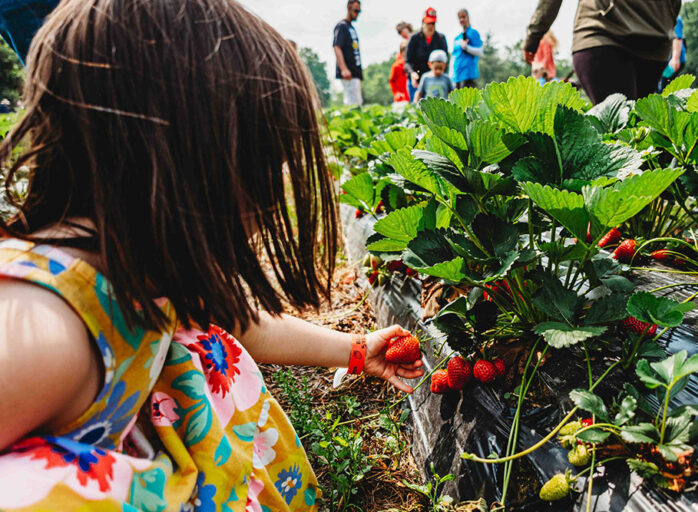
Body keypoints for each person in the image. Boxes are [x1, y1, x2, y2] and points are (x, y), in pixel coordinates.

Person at [0, 0, 424, 510]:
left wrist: (356, 350)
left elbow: (235, 321)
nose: (271, 191)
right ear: (182, 158)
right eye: (263, 164)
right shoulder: (45, 332)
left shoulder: (143, 262)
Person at [524, 0, 682, 104]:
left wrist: (534, 33)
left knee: (618, 132)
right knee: (636, 130)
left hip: (603, 31)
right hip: (655, 37)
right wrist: (666, 23)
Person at [405, 7, 449, 96]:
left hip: (435, 81)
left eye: (433, 23)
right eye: (428, 23)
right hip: (417, 80)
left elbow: (445, 60)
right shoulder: (414, 39)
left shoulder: (440, 38)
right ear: (423, 23)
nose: (431, 26)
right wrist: (412, 73)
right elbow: (407, 62)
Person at [333, 0, 363, 106]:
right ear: (348, 8)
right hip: (348, 71)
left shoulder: (351, 28)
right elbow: (337, 46)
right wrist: (344, 69)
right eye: (355, 10)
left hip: (355, 71)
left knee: (357, 102)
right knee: (353, 104)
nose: (357, 14)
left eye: (359, 11)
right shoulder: (342, 26)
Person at [452, 9, 482, 89]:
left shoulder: (473, 33)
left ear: (468, 17)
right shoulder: (457, 38)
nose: (462, 19)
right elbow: (454, 57)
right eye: (459, 18)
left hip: (469, 75)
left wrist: (466, 48)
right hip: (457, 75)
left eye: (463, 17)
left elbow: (480, 52)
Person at [659, 16, 686, 92]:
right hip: (665, 60)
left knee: (665, 86)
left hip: (672, 61)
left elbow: (677, 38)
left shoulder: (675, 17)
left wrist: (675, 58)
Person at [396, 21, 417, 100]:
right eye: (399, 33)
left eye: (401, 31)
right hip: (409, 75)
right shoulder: (404, 43)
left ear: (406, 28)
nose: (401, 34)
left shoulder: (415, 38)